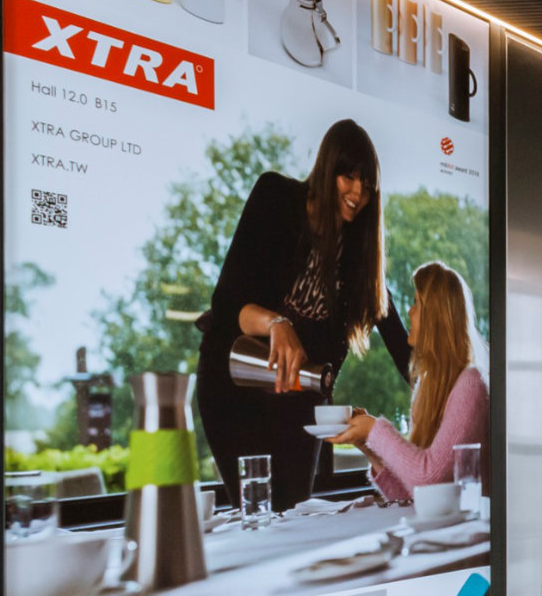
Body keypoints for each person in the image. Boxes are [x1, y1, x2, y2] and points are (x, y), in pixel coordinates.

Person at [197, 119, 411, 511]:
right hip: (232, 384)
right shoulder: (275, 197)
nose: (358, 192)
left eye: (367, 183)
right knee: (256, 508)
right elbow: (227, 301)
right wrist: (277, 323)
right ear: (328, 168)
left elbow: (399, 341)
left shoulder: (359, 254)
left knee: (294, 509)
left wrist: (449, 389)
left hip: (296, 400)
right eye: (349, 176)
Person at [322, 263, 486, 500]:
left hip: (467, 532)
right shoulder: (427, 388)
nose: (410, 311)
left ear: (436, 316)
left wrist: (374, 429)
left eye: (417, 303)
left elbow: (428, 478)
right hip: (441, 529)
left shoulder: (470, 385)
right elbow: (407, 494)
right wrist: (367, 444)